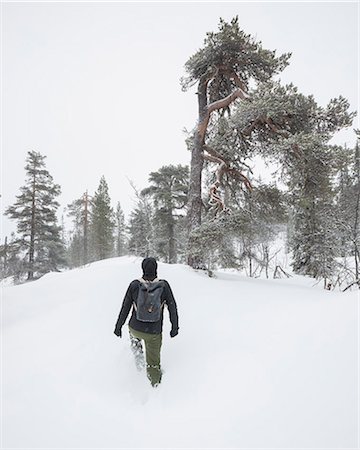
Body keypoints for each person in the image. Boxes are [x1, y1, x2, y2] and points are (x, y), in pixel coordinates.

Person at [114, 257, 179, 387]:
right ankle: (155, 386)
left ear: (142, 269)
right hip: (154, 333)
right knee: (153, 363)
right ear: (156, 269)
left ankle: (138, 364)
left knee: (135, 340)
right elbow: (172, 306)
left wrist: (118, 326)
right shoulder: (163, 285)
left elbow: (125, 307)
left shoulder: (134, 285)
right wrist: (174, 327)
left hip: (135, 328)